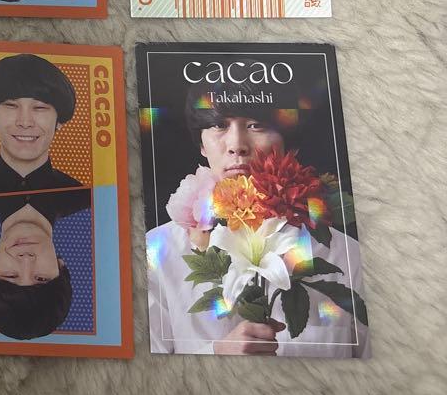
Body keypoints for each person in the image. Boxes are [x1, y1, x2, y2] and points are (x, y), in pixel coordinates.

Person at [146, 87, 369, 357]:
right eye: (219, 125)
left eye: (256, 125)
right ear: (201, 144)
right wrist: (217, 353)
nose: (237, 145)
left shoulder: (346, 255)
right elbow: (144, 372)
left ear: (289, 141)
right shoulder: (158, 251)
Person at [0, 54, 83, 196]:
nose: (25, 123)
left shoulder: (83, 199)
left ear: (60, 120)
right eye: (11, 105)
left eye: (39, 107)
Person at [0, 197, 80, 340]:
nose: (26, 259)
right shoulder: (95, 191)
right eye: (41, 278)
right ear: (60, 266)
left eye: (11, 276)